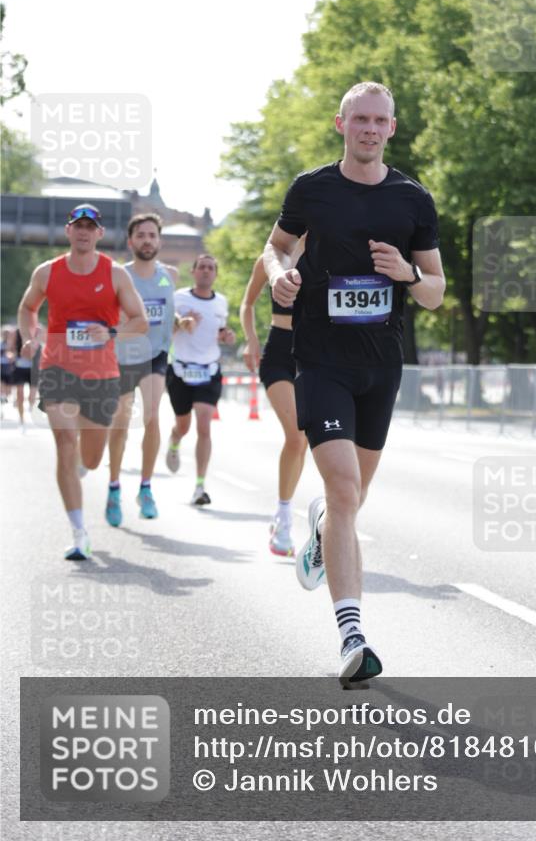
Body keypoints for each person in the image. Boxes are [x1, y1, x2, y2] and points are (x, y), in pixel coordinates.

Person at [264, 82, 445, 686]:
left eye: (379, 120)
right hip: (320, 360)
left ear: (391, 128)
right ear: (340, 123)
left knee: (351, 498)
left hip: (380, 366)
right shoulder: (311, 188)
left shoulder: (412, 198)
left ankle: (322, 531)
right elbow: (276, 247)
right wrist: (280, 274)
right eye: (359, 118)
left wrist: (408, 272)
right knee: (343, 490)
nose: (369, 128)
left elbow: (436, 291)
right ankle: (352, 637)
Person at [17, 203, 148, 560]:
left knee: (90, 458)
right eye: (78, 226)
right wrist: (30, 336)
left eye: (91, 227)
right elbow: (28, 308)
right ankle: (79, 533)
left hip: (101, 375)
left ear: (100, 234)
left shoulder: (116, 274)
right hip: (57, 368)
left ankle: (80, 469)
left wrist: (110, 332)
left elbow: (139, 321)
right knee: (64, 442)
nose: (84, 232)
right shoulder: (48, 272)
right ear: (68, 231)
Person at [105, 213, 178, 526]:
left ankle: (146, 488)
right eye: (141, 235)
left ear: (159, 241)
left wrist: (183, 323)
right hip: (122, 358)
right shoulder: (118, 276)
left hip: (155, 355)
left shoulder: (170, 275)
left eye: (152, 235)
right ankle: (114, 487)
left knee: (151, 416)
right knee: (121, 423)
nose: (147, 241)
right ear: (130, 241)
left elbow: (169, 316)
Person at [240, 249, 308, 556]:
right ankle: (283, 518)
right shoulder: (271, 258)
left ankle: (286, 509)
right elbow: (247, 302)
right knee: (296, 435)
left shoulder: (328, 248)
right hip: (279, 353)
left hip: (315, 354)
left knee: (304, 443)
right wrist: (251, 339)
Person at [165, 254, 235, 505]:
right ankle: (174, 441)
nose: (206, 271)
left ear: (215, 274)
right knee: (183, 426)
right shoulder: (179, 298)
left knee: (204, 426)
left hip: (209, 370)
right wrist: (183, 324)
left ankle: (199, 486)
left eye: (210, 268)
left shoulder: (221, 302)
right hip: (181, 370)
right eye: (202, 267)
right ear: (193, 272)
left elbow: (219, 331)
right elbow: (165, 331)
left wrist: (227, 337)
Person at [11, 326, 41, 429]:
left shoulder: (37, 330)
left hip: (34, 369)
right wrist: (11, 355)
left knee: (32, 396)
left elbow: (39, 348)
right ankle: (21, 418)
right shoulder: (17, 332)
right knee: (20, 395)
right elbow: (11, 348)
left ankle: (30, 409)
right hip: (20, 368)